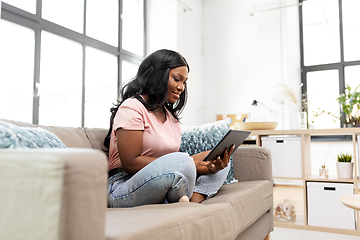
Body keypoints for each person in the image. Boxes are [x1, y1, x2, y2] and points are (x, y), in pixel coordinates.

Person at [104, 49, 234, 208]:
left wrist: (203, 164)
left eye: (184, 82)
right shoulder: (132, 107)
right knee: (183, 162)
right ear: (158, 75)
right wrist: (189, 162)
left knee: (222, 161)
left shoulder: (170, 117)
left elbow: (171, 162)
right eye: (177, 79)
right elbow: (130, 162)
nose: (181, 87)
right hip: (124, 185)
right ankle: (183, 200)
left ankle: (195, 197)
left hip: (165, 181)